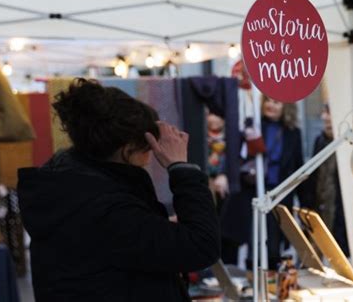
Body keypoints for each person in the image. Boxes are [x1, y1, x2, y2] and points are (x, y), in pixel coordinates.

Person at [17, 79, 220, 302]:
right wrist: (181, 168)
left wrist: (159, 225)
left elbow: (120, 246)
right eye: (148, 149)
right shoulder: (106, 207)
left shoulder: (68, 188)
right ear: (128, 150)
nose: (150, 158)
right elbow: (201, 246)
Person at [245, 97, 304, 270]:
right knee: (254, 241)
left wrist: (305, 201)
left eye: (277, 102)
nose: (270, 105)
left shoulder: (293, 133)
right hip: (255, 191)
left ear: (286, 107)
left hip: (280, 195)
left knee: (274, 244)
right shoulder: (254, 127)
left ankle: (271, 282)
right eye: (268, 101)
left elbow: (298, 167)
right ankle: (254, 280)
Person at [300, 106, 350, 256]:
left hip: (338, 208)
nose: (326, 119)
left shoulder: (347, 144)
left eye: (330, 116)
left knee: (338, 253)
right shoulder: (320, 141)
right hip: (319, 206)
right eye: (325, 115)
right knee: (314, 251)